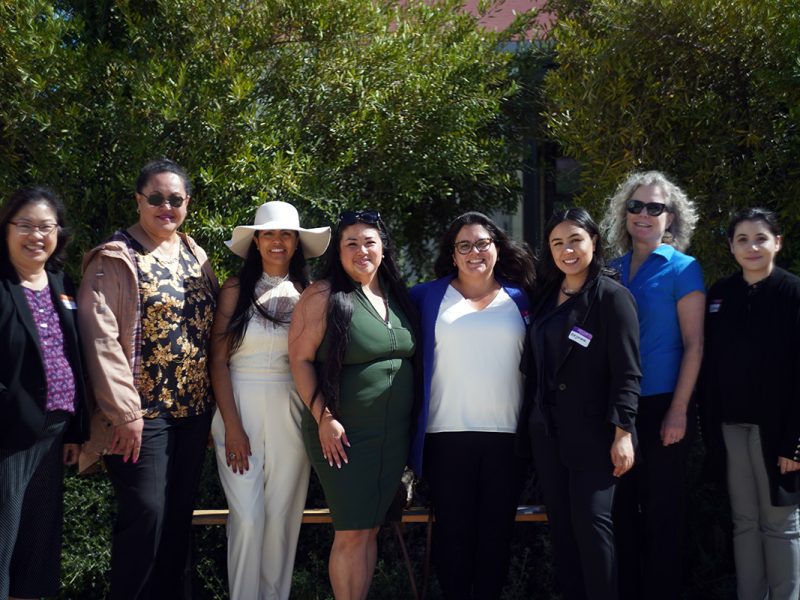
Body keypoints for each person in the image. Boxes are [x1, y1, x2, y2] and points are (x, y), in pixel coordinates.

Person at [77, 158, 218, 599]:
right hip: (140, 418)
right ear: (139, 201)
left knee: (177, 522)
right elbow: (100, 340)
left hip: (193, 414)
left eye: (175, 199)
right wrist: (125, 412)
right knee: (147, 516)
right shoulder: (114, 258)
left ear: (187, 203)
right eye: (156, 198)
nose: (165, 207)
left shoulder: (195, 254)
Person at [288, 209, 417, 600]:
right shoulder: (323, 295)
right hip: (343, 435)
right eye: (352, 243)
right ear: (339, 251)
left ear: (383, 248)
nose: (362, 250)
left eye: (369, 242)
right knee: (351, 531)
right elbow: (300, 360)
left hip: (392, 438)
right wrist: (324, 417)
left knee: (370, 528)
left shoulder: (397, 294)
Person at [408, 211, 534, 600]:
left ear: (497, 247)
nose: (474, 252)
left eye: (482, 243)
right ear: (452, 254)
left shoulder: (523, 298)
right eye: (464, 245)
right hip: (445, 436)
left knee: (496, 540)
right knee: (453, 540)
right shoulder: (425, 297)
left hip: (507, 439)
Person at [210, 201, 330, 600]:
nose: (277, 241)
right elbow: (218, 361)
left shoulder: (310, 294)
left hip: (291, 409)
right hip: (238, 406)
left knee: (281, 519)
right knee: (248, 517)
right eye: (269, 234)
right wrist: (232, 425)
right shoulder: (234, 289)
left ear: (296, 243)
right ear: (256, 241)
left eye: (286, 234)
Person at [519, 208, 640, 600]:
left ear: (594, 242)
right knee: (563, 529)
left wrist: (623, 433)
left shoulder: (611, 297)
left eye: (575, 240)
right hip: (548, 433)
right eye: (557, 243)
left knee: (592, 525)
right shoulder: (545, 296)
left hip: (596, 434)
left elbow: (628, 372)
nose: (567, 250)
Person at [601, 170, 705, 600]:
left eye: (654, 207)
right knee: (620, 514)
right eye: (635, 205)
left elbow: (695, 344)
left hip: (665, 406)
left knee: (664, 516)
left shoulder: (684, 269)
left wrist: (679, 411)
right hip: (618, 412)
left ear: (671, 217)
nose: (643, 214)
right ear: (624, 213)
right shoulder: (610, 270)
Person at [701, 208, 800, 600]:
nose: (752, 247)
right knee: (744, 522)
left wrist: (794, 442)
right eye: (742, 239)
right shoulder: (720, 294)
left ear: (777, 242)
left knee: (781, 523)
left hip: (778, 432)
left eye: (760, 238)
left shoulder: (793, 293)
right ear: (731, 247)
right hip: (731, 427)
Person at [0, 187, 88, 600]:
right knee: (3, 541)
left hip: (54, 434)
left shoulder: (61, 283)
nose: (36, 236)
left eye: (45, 227)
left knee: (37, 547)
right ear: (6, 229)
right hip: (8, 434)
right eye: (25, 225)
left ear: (58, 233)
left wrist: (76, 432)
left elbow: (74, 356)